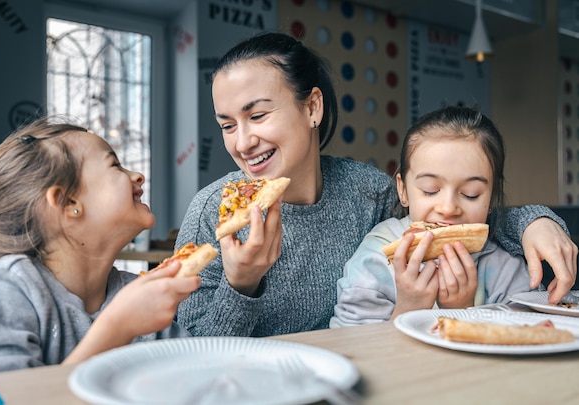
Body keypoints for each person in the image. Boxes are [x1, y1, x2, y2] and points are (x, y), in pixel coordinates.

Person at [175, 32, 576, 337]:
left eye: (258, 116)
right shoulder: (214, 210)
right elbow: (191, 353)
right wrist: (241, 285)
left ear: (312, 107)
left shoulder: (368, 192)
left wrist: (534, 221)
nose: (242, 142)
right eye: (227, 125)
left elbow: (448, 221)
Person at [0, 118, 200, 378]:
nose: (138, 175)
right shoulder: (8, 288)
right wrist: (118, 328)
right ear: (69, 202)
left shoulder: (136, 294)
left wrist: (237, 281)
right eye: (115, 165)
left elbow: (193, 381)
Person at [330, 106, 533, 327]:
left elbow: (527, 337)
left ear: (492, 199)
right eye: (429, 190)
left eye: (470, 194)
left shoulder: (504, 268)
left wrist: (463, 312)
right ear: (403, 190)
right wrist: (407, 310)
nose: (448, 208)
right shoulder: (378, 255)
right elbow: (350, 342)